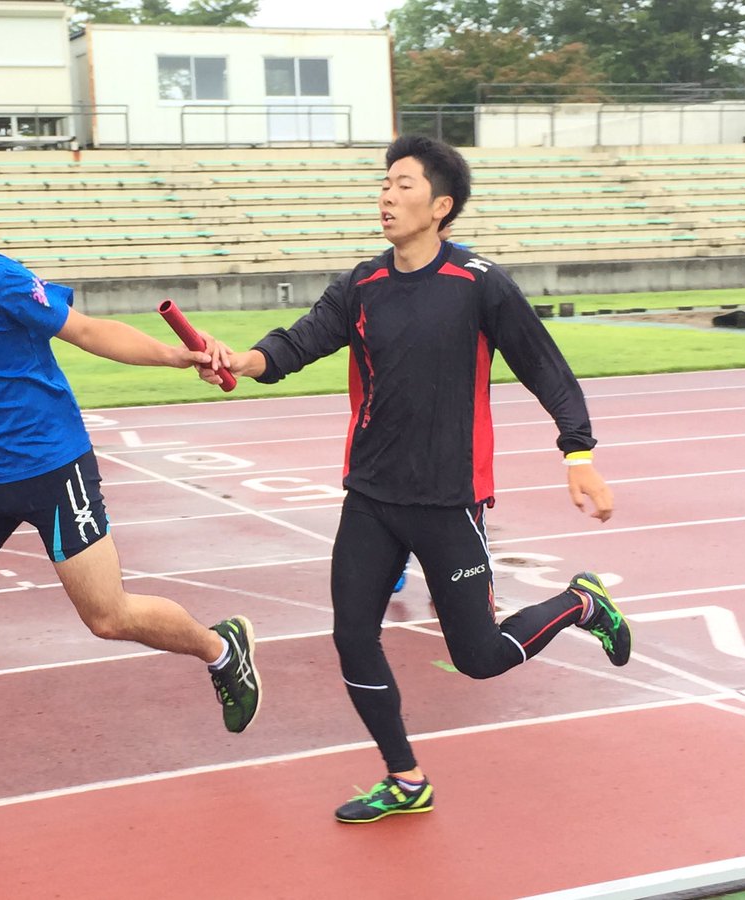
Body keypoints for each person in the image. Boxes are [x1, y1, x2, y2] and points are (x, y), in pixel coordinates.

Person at [199, 135, 628, 824]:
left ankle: (581, 603)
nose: (387, 196)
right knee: (352, 636)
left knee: (480, 658)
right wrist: (240, 361)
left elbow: (545, 368)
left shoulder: (480, 284)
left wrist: (578, 454)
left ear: (441, 206)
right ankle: (405, 779)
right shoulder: (362, 284)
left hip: (448, 500)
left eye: (403, 185)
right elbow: (296, 344)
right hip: (371, 496)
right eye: (384, 184)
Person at [0, 159, 261, 815]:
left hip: (55, 469)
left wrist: (179, 355)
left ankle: (221, 649)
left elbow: (87, 330)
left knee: (108, 618)